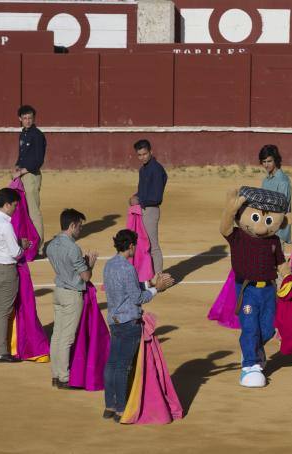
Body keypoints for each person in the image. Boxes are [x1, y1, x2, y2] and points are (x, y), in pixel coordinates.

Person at [220, 187, 289, 387]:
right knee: (250, 328)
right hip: (247, 289)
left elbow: (281, 263)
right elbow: (224, 229)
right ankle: (249, 365)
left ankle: (252, 350)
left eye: (268, 221)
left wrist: (288, 276)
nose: (260, 227)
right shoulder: (238, 236)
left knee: (267, 329)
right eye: (257, 218)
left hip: (269, 289)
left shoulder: (274, 241)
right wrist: (230, 210)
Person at [103, 229, 174, 422]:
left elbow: (127, 287)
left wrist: (149, 282)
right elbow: (137, 298)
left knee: (111, 364)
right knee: (122, 367)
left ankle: (109, 405)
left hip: (114, 321)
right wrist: (156, 289)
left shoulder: (109, 265)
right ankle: (120, 409)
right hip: (128, 323)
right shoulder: (128, 268)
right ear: (131, 245)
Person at [47, 208, 97, 389]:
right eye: (80, 227)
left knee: (57, 336)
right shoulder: (73, 248)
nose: (80, 230)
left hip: (59, 291)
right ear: (72, 225)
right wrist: (89, 264)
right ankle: (64, 376)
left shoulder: (51, 245)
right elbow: (85, 276)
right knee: (67, 338)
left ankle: (55, 374)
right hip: (71, 295)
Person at [0, 188, 32, 363]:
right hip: (5, 270)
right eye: (15, 205)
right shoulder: (5, 225)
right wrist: (23, 246)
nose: (16, 209)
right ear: (7, 204)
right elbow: (15, 252)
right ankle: (2, 352)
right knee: (3, 311)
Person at [11, 105, 46, 254]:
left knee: (33, 211)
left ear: (33, 118)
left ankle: (38, 246)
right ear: (20, 119)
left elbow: (38, 160)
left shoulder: (37, 135)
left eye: (30, 118)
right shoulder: (23, 134)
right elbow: (22, 155)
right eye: (24, 118)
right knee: (24, 209)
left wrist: (23, 171)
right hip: (23, 175)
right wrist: (16, 167)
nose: (27, 121)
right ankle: (29, 241)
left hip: (31, 176)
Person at [129, 139, 167, 274]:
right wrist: (134, 197)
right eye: (139, 155)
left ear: (151, 152)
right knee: (144, 245)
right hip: (143, 209)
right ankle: (149, 274)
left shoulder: (156, 170)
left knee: (152, 245)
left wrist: (139, 200)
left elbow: (157, 197)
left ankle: (159, 277)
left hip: (150, 210)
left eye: (144, 154)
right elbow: (142, 191)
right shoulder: (143, 170)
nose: (142, 157)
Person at [259, 145, 292, 244]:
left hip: (278, 232)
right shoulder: (266, 180)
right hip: (266, 229)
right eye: (264, 162)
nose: (266, 165)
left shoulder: (283, 181)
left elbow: (281, 208)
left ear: (276, 161)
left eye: (269, 161)